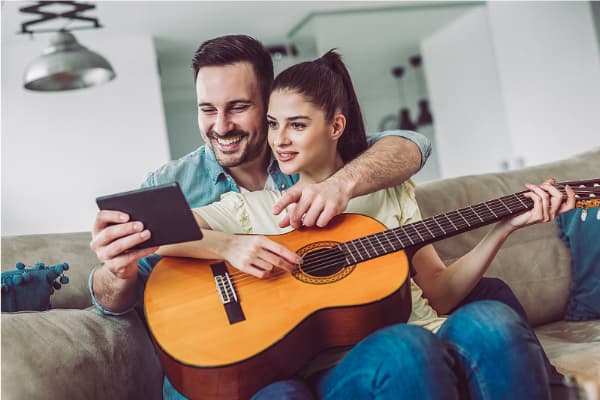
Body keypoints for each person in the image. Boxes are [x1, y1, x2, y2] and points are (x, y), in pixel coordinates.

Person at [152, 50, 576, 399]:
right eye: (273, 124)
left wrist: (501, 228)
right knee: (406, 348)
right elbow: (152, 228)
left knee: (493, 318)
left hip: (426, 328)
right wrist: (228, 247)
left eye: (297, 125)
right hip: (347, 364)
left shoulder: (390, 190)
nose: (279, 140)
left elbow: (440, 295)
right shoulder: (253, 209)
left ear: (336, 126)